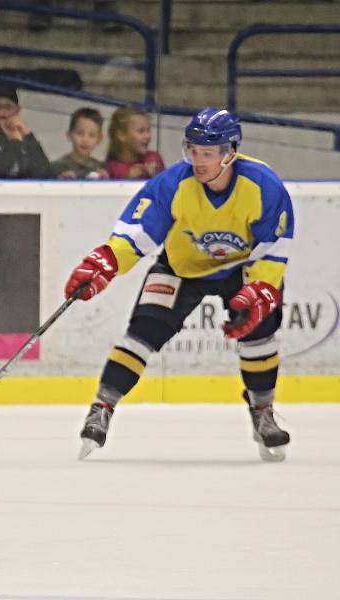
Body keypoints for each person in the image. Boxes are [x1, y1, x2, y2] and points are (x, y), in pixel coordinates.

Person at [65, 107, 293, 462]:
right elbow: (137, 233)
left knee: (260, 328)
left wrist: (262, 288)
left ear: (230, 152)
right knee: (144, 332)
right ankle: (102, 406)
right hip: (180, 266)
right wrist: (107, 261)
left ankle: (262, 411)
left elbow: (272, 250)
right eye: (192, 150)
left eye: (207, 153)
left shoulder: (264, 186)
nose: (197, 161)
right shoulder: (173, 183)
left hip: (241, 270)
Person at [0, 82, 53, 179]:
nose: (3, 114)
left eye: (8, 107)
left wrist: (29, 136)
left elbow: (47, 176)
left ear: (17, 110)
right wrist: (15, 143)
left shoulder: (25, 140)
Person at [105, 106, 164, 179]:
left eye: (148, 130)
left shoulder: (154, 158)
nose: (148, 136)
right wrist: (127, 178)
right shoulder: (112, 167)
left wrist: (156, 174)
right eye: (141, 131)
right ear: (121, 135)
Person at [51, 107, 109, 180]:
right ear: (69, 135)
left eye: (92, 135)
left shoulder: (102, 168)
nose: (85, 140)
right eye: (80, 133)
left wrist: (106, 183)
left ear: (99, 139)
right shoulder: (57, 167)